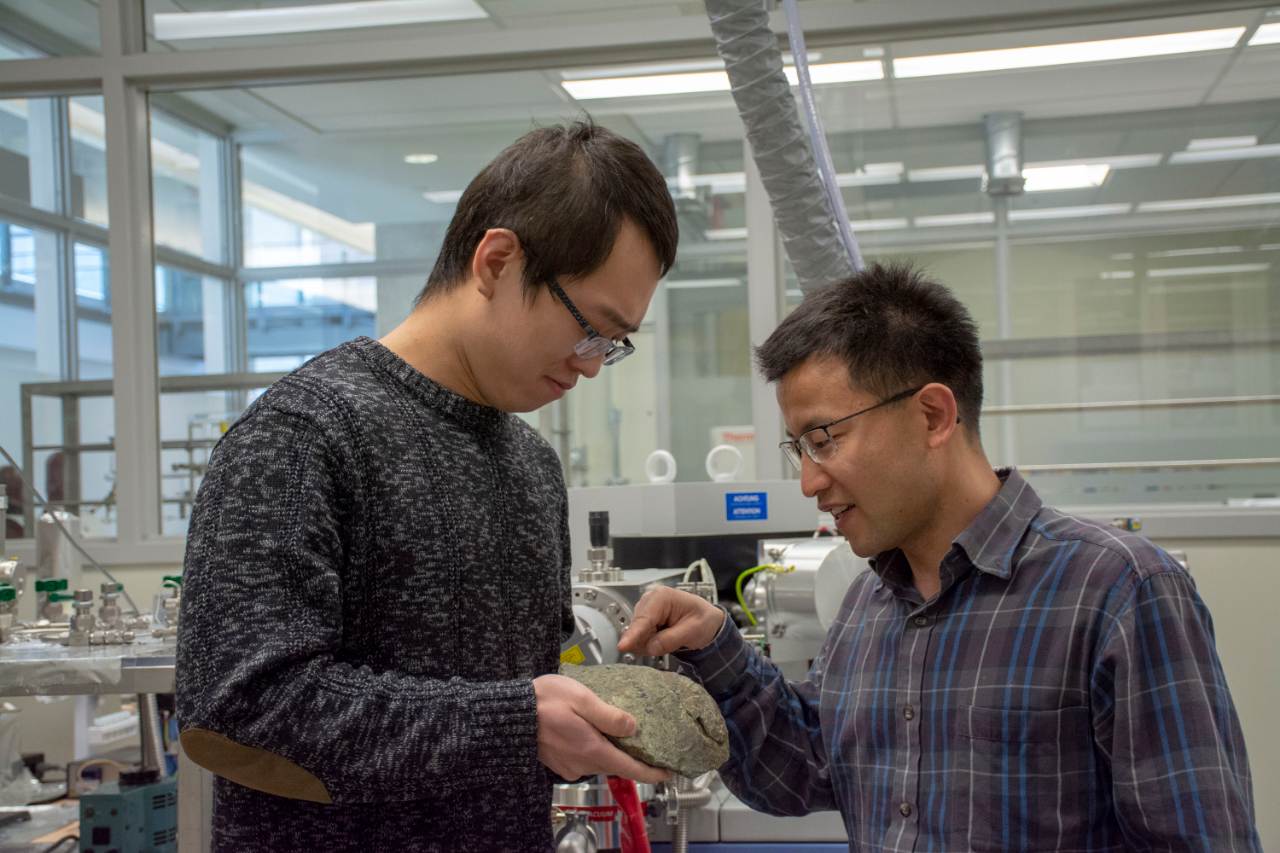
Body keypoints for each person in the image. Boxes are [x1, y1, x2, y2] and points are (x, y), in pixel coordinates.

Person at [620, 262, 1260, 851]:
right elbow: (809, 770)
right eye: (799, 449)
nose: (810, 483)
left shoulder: (1119, 591)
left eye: (824, 439)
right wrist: (715, 646)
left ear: (932, 415)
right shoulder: (870, 603)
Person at [176, 120, 678, 853]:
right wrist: (513, 721)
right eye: (588, 329)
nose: (593, 364)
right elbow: (238, 707)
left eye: (614, 342)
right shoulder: (306, 434)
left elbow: (514, 696)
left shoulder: (531, 465)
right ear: (498, 261)